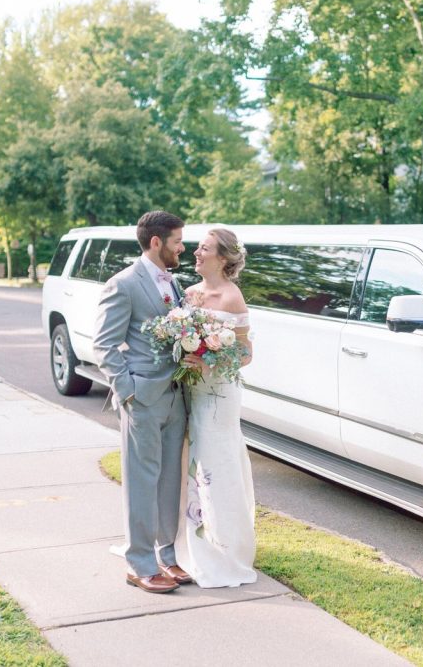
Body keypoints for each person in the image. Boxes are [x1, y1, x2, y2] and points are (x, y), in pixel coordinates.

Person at [94, 211, 192, 594]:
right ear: (156, 242)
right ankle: (139, 562)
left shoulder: (176, 283)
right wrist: (128, 389)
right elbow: (104, 344)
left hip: (176, 396)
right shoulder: (123, 284)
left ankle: (167, 555)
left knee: (171, 479)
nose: (182, 247)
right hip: (144, 398)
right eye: (177, 241)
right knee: (141, 480)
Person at [175, 226, 257, 587]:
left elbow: (245, 353)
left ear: (222, 258)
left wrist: (208, 362)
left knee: (216, 464)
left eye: (204, 248)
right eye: (196, 247)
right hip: (191, 392)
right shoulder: (189, 294)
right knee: (189, 463)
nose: (196, 252)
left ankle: (225, 550)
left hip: (220, 396)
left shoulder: (231, 297)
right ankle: (191, 541)